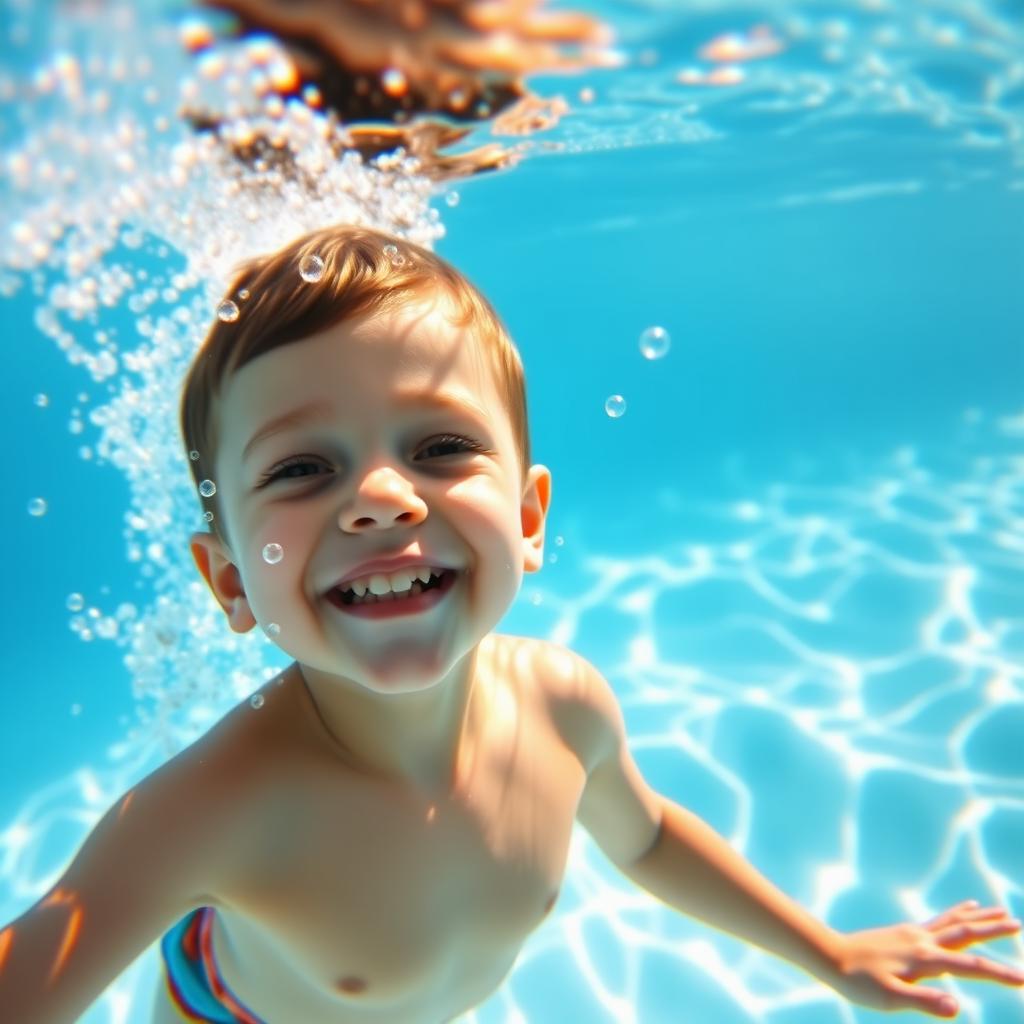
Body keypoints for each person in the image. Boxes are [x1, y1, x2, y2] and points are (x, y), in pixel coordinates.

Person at [1, 224, 1021, 1024]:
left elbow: (652, 837)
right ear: (228, 581)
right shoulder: (208, 809)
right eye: (302, 468)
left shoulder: (566, 709)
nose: (384, 498)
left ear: (529, 520)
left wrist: (829, 954)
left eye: (441, 445)